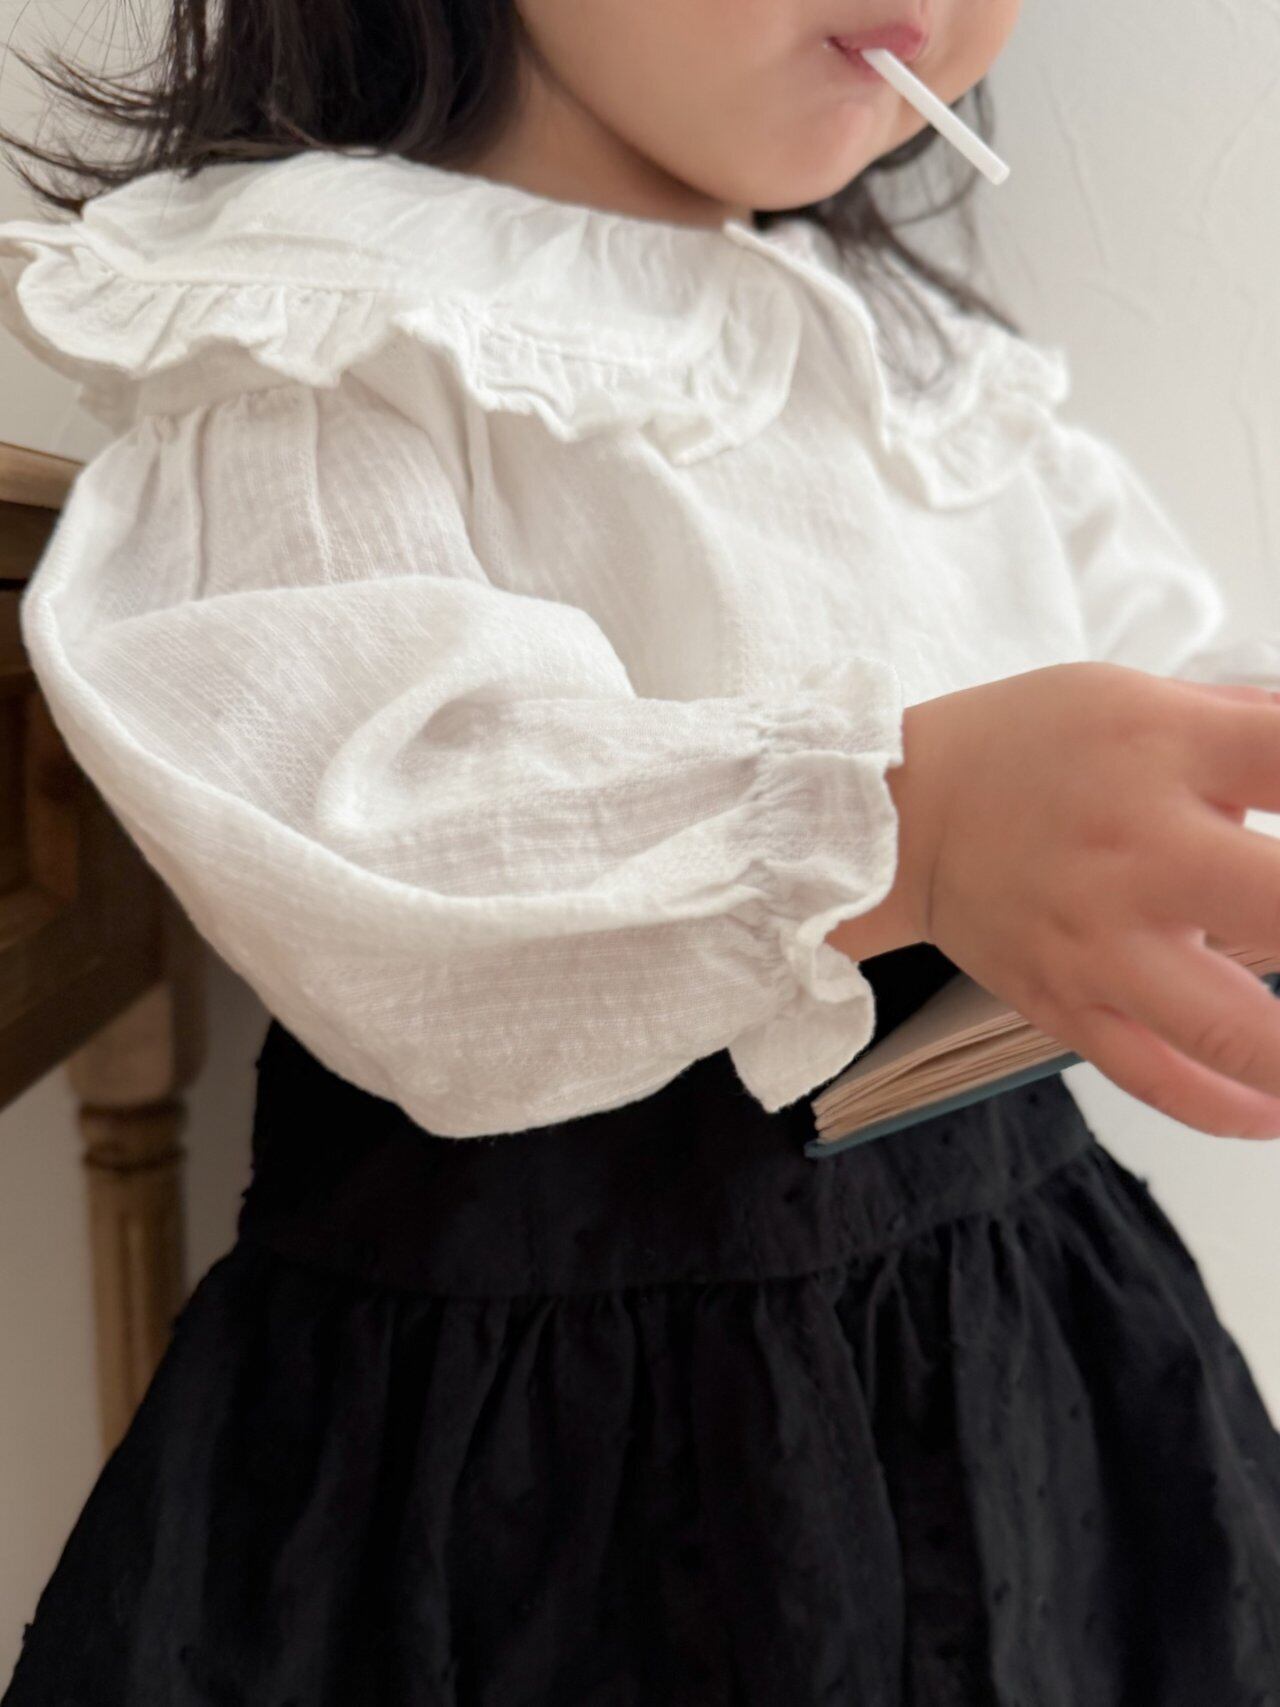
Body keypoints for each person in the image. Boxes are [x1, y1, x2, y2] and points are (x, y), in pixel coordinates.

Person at [1, 0, 1279, 1700]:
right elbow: (373, 810)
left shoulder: (918, 364)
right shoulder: (330, 310)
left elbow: (1172, 701)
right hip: (560, 1437)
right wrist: (899, 822)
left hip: (1016, 1328)